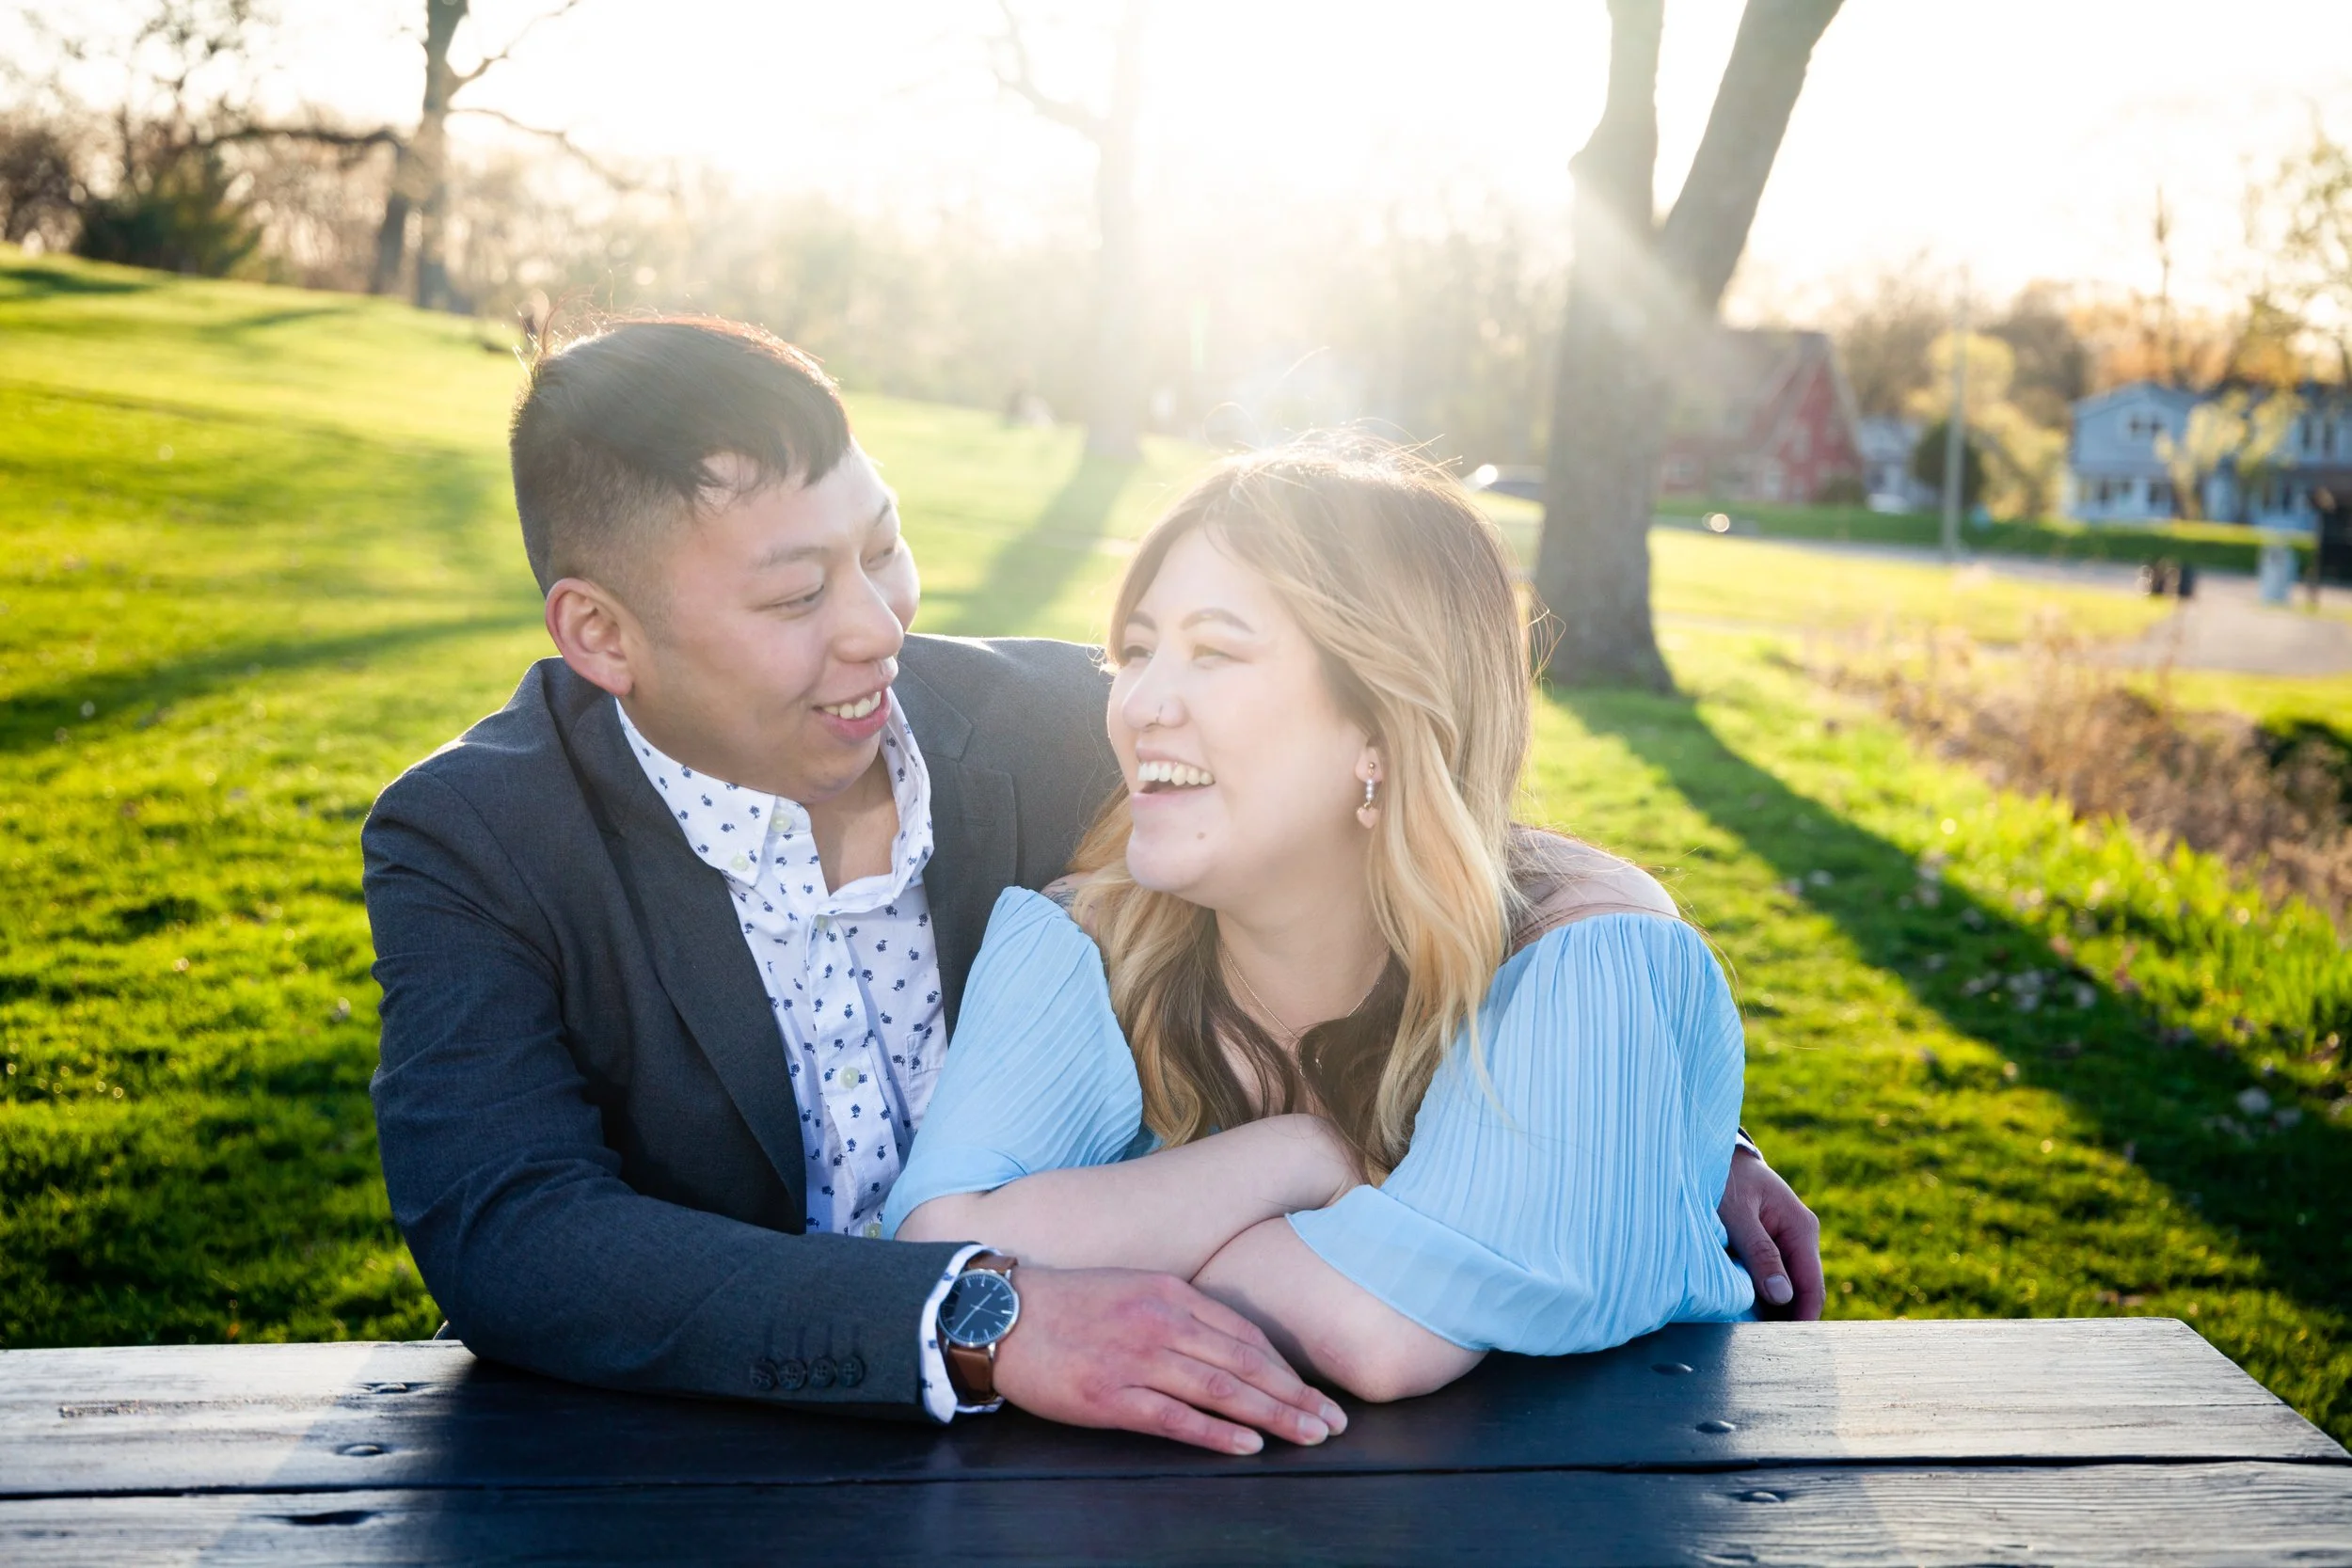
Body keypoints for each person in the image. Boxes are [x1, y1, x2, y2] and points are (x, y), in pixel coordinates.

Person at [363, 315, 1822, 1457]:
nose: (876, 626)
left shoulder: (1060, 720)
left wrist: (1650, 1111)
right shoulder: (479, 835)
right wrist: (975, 1319)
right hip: (689, 1445)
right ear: (602, 635)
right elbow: (517, 1232)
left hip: (1123, 1463)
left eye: (883, 547)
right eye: (797, 593)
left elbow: (1401, 818)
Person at [889, 439, 1771, 1422]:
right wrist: (1305, 1156)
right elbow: (936, 1259)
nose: (1139, 704)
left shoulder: (1583, 961)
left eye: (1213, 652)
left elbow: (1372, 1329)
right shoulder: (1081, 942)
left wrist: (1090, 1266)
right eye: (1135, 651)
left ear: (1380, 727)